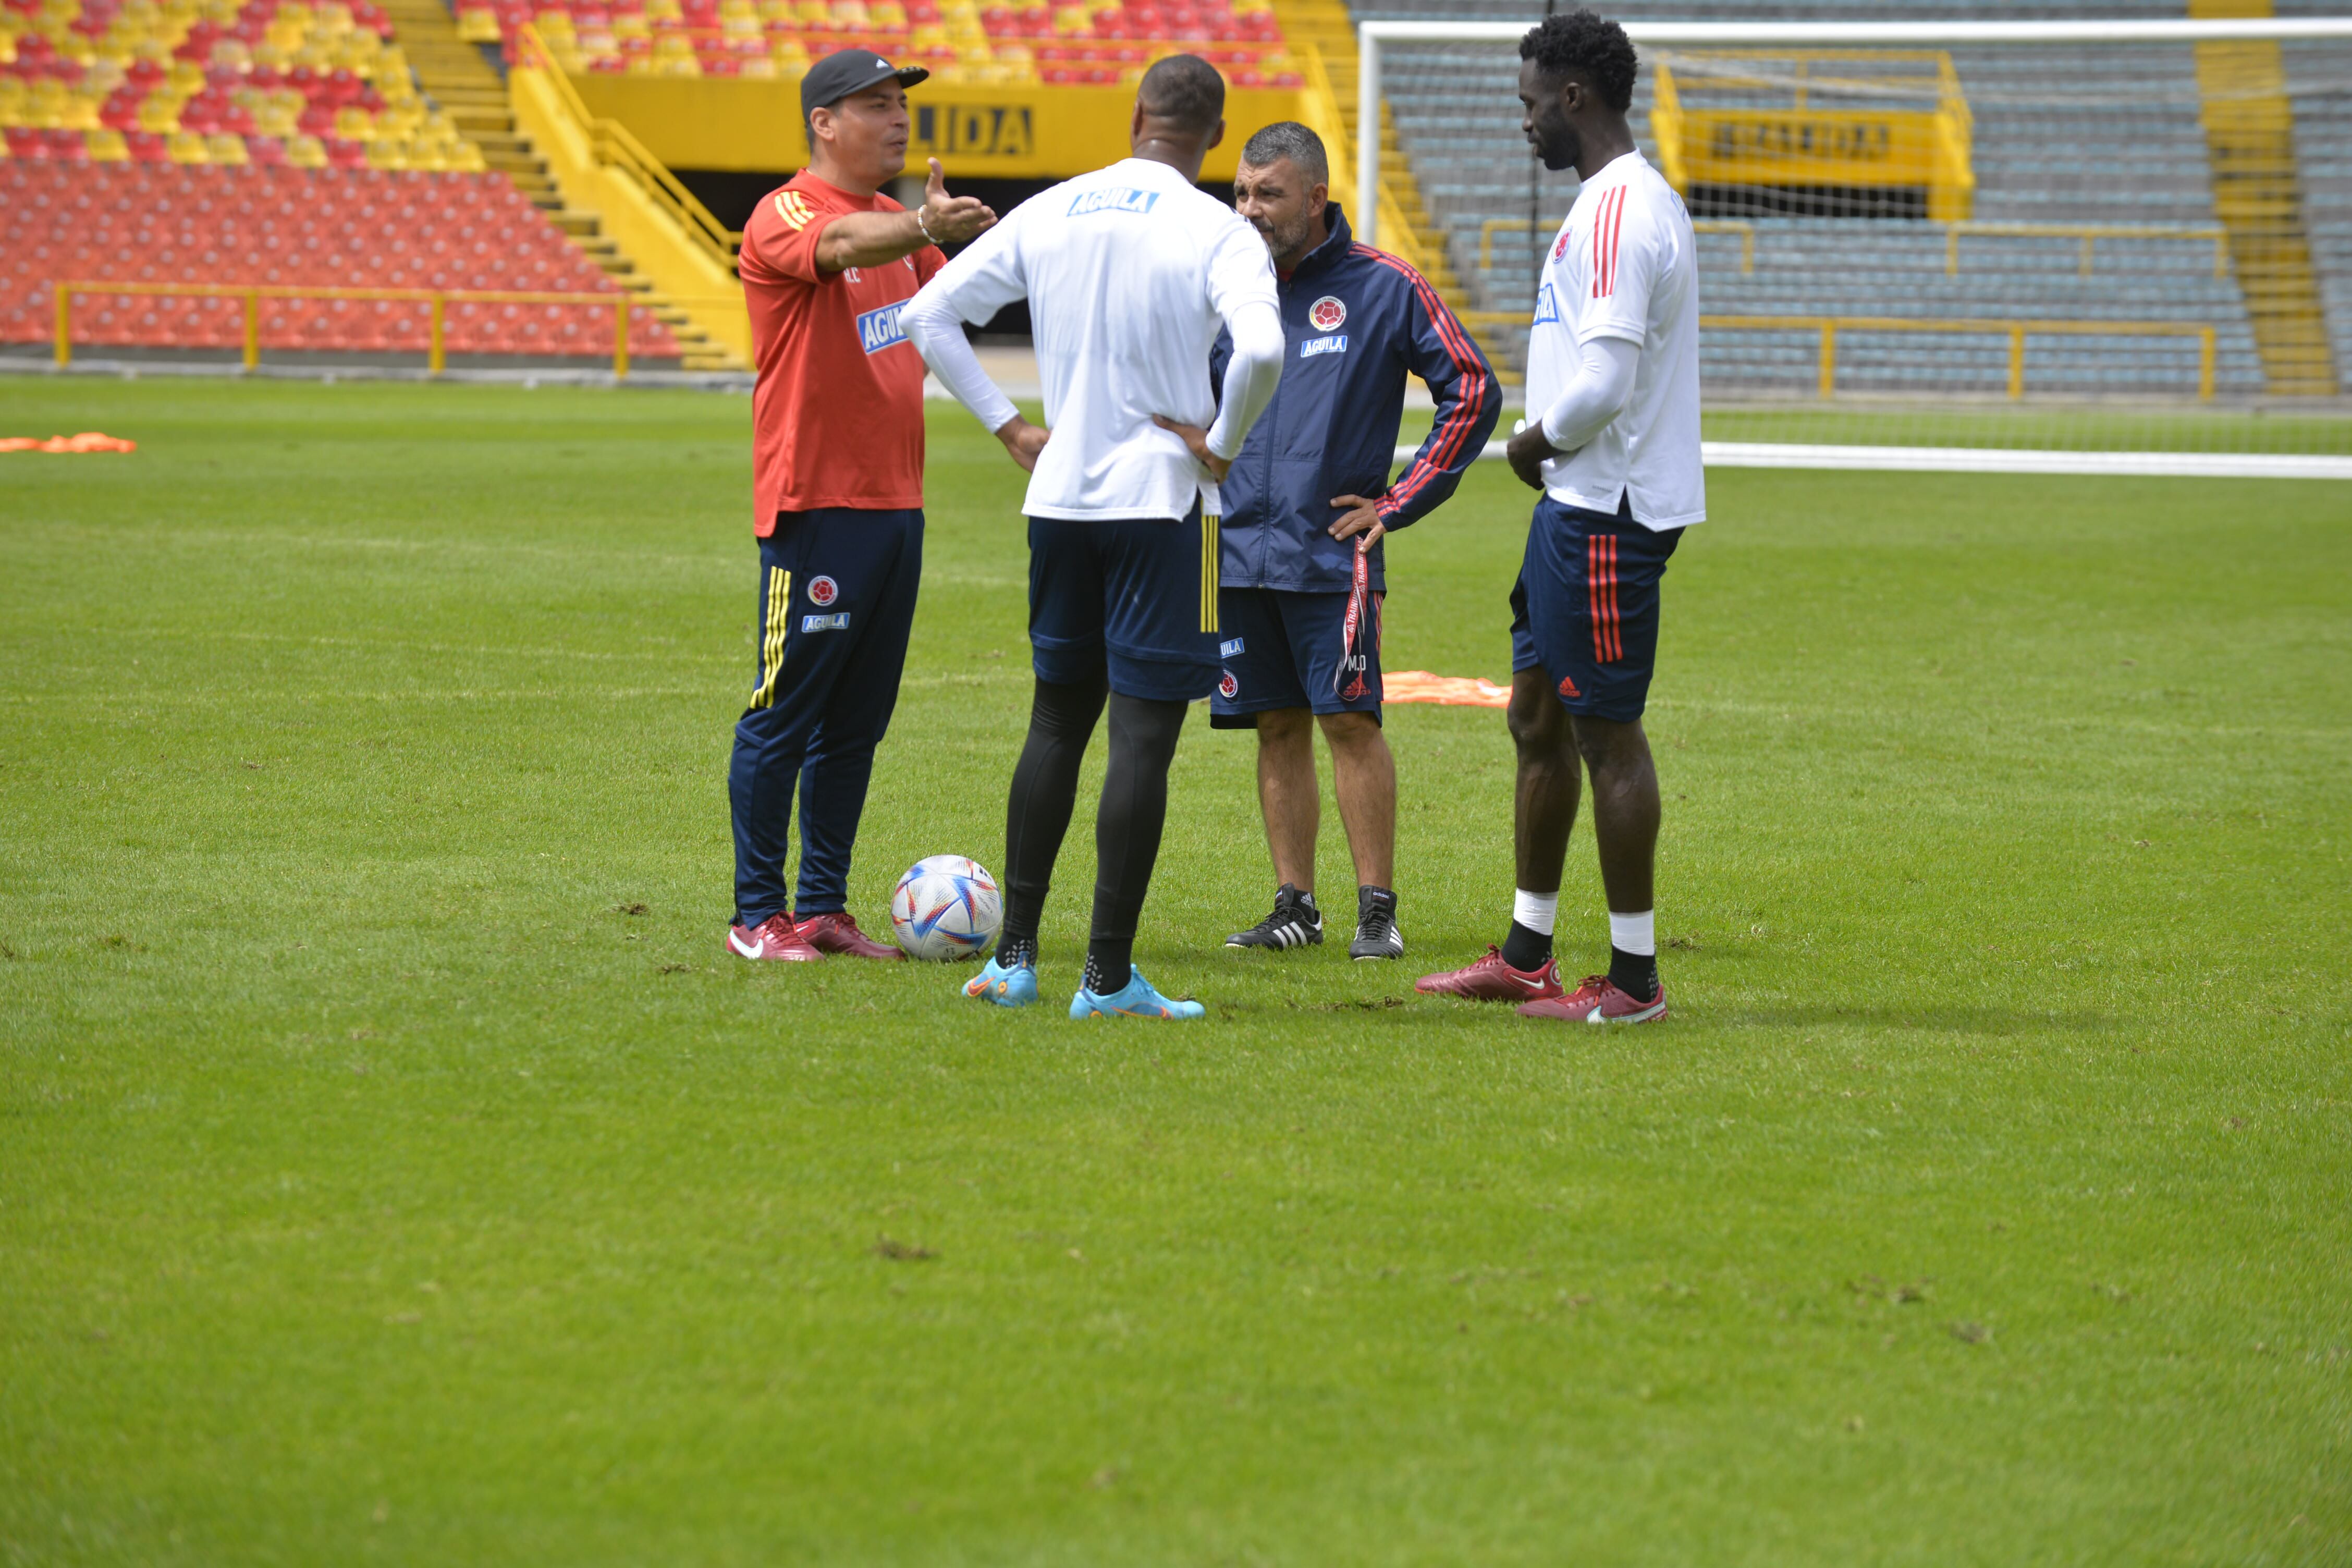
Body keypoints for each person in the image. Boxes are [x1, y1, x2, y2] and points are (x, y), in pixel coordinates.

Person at [902, 54, 1285, 1020]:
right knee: (1141, 743)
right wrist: (1225, 448)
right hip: (1163, 508)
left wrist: (1009, 423)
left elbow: (929, 311)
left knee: (1054, 724)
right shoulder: (1219, 227)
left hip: (1062, 501)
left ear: (1137, 115)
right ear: (1213, 134)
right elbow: (1267, 348)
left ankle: (1017, 958)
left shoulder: (1055, 207)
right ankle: (1107, 978)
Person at [1414, 9, 1702, 1022]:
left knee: (1607, 737)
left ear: (1574, 98)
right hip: (1575, 508)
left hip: (1607, 510)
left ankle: (1633, 981)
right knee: (1536, 716)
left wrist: (1533, 441)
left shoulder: (1622, 210)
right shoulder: (1604, 203)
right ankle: (1528, 953)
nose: (1525, 124)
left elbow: (1607, 379)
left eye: (1532, 105)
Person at [1171, 121, 1498, 963]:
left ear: (1315, 198)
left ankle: (1377, 911)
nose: (1249, 211)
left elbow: (1472, 389)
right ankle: (1295, 906)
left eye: (1268, 195)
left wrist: (1402, 499)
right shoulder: (1220, 289)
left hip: (1331, 554)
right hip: (1234, 550)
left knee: (1348, 722)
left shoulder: (1384, 286)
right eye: (1240, 193)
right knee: (1274, 726)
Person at [725, 48, 998, 963]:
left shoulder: (899, 227)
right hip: (816, 503)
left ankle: (824, 907)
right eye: (875, 105)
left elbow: (954, 317)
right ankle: (756, 918)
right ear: (823, 122)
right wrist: (925, 224)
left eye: (901, 105)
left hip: (896, 505)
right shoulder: (791, 213)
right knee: (782, 712)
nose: (897, 119)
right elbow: (837, 250)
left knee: (856, 724)